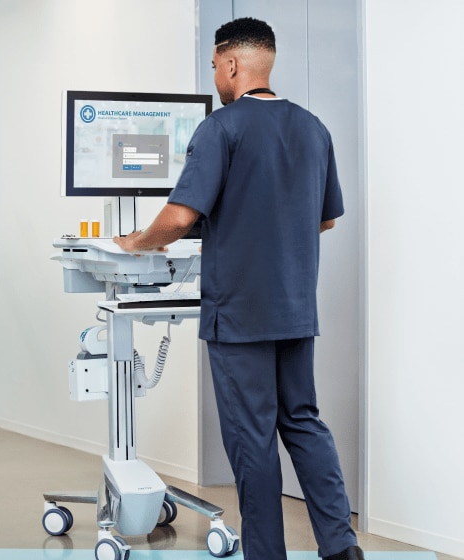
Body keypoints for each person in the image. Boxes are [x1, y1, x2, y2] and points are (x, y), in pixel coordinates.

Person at [113, 17, 363, 560]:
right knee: (302, 422)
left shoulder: (221, 128)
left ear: (231, 64)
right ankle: (341, 549)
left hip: (240, 315)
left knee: (252, 440)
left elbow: (179, 217)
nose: (214, 79)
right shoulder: (313, 127)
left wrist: (138, 243)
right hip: (297, 308)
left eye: (214, 68)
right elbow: (324, 220)